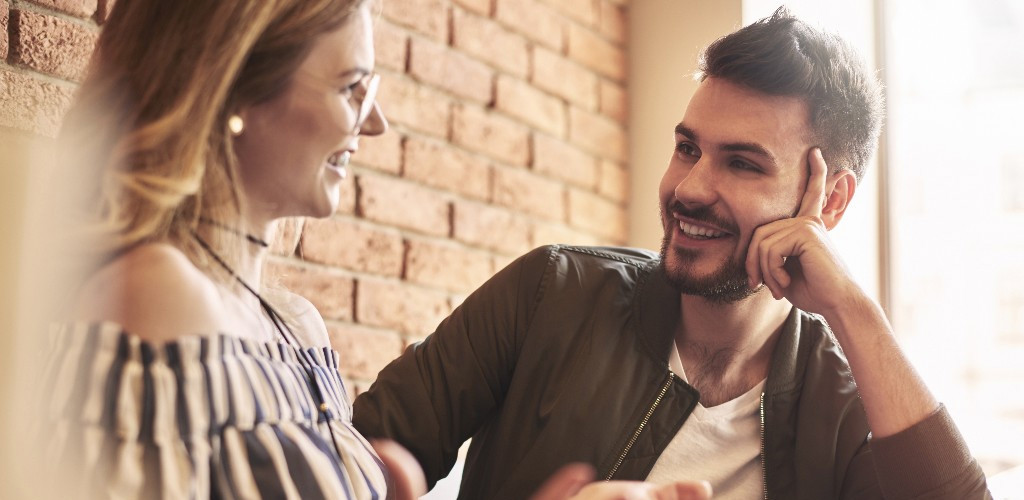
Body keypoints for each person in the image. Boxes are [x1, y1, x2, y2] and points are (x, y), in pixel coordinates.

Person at [37, 0, 714, 498]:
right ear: (230, 88)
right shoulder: (155, 297)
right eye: (350, 87)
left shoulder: (294, 323)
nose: (378, 120)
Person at [352, 7, 992, 500]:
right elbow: (343, 465)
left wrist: (853, 308)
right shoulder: (551, 292)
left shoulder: (849, 406)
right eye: (688, 148)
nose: (688, 189)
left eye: (741, 163)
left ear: (828, 202)